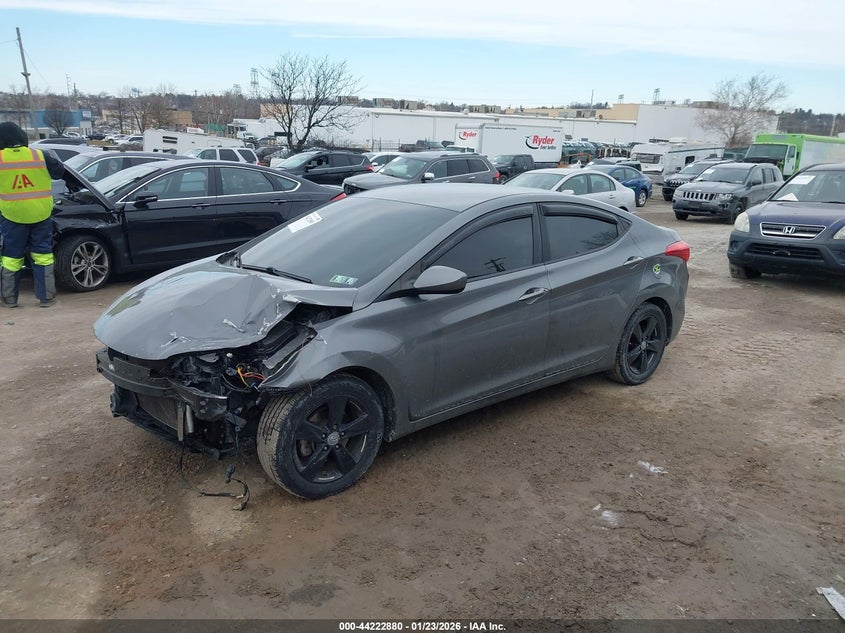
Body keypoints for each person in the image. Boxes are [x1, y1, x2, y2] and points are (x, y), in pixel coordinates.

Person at [0, 121, 65, 308]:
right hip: (41, 213)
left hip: (12, 215)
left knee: (11, 258)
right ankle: (46, 298)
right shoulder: (40, 155)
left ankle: (9, 299)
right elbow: (59, 173)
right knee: (43, 255)